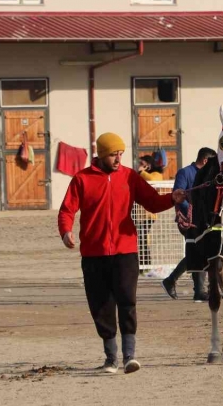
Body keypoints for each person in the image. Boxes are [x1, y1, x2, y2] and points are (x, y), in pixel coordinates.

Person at [58, 132, 186, 374]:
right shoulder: (81, 179)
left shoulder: (129, 177)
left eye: (120, 154)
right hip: (93, 253)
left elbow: (152, 202)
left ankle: (129, 356)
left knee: (127, 300)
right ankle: (110, 358)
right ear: (101, 155)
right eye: (113, 154)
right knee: (101, 305)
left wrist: (172, 199)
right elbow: (66, 210)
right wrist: (66, 232)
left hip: (125, 250)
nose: (118, 159)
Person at [162, 147, 216, 302]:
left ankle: (195, 289)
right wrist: (193, 212)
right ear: (205, 160)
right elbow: (179, 195)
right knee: (197, 250)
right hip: (189, 220)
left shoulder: (207, 175)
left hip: (202, 220)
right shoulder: (185, 173)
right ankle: (190, 287)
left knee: (199, 251)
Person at [135, 155, 162, 269]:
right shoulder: (140, 176)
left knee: (143, 238)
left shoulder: (156, 174)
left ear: (148, 165)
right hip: (139, 213)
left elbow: (153, 180)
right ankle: (142, 264)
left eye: (142, 163)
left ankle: (146, 264)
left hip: (149, 214)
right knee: (141, 238)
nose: (139, 166)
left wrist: (142, 172)